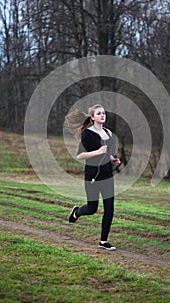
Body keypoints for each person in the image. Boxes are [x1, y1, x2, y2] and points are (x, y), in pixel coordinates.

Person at [65, 104, 121, 251]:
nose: (102, 115)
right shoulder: (87, 134)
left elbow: (105, 152)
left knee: (110, 208)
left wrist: (112, 159)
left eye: (103, 113)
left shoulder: (108, 133)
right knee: (92, 208)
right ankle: (77, 211)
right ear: (92, 117)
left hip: (107, 175)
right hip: (92, 176)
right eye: (99, 113)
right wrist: (97, 152)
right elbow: (80, 155)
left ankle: (103, 241)